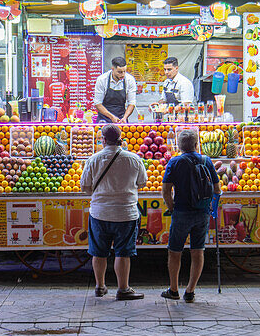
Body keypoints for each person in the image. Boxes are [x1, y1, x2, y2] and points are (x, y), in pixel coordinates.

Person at [81, 123, 147, 299]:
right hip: (126, 213)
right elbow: (142, 183)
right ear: (121, 140)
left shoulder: (93, 159)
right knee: (123, 252)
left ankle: (100, 286)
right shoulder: (134, 159)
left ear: (103, 140)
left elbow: (85, 187)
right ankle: (123, 289)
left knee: (98, 251)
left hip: (99, 213)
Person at [160, 129, 218, 302]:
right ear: (196, 144)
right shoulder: (206, 161)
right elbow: (217, 189)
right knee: (198, 251)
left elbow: (165, 190)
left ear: (179, 145)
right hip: (202, 213)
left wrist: (171, 207)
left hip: (182, 212)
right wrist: (209, 207)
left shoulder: (175, 162)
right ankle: (190, 291)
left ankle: (173, 290)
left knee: (175, 251)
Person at [93, 57, 138, 123]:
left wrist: (125, 117)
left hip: (121, 118)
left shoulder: (130, 80)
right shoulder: (102, 79)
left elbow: (131, 103)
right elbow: (98, 103)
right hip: (104, 119)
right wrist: (111, 117)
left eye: (124, 71)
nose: (122, 74)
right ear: (112, 69)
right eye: (119, 72)